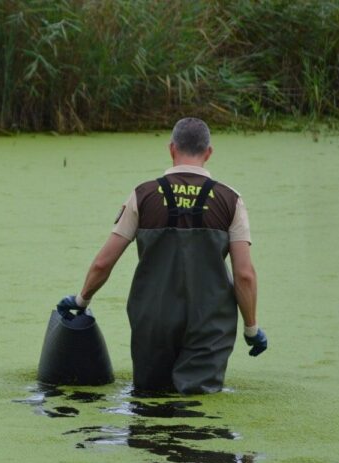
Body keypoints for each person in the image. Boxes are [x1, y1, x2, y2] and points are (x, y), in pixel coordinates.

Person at [57, 117, 268, 394]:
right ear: (208, 152)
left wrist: (81, 299)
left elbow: (103, 262)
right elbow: (244, 274)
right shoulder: (230, 200)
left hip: (151, 320)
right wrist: (251, 328)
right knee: (198, 414)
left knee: (150, 403)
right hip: (210, 325)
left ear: (171, 148)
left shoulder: (143, 195)